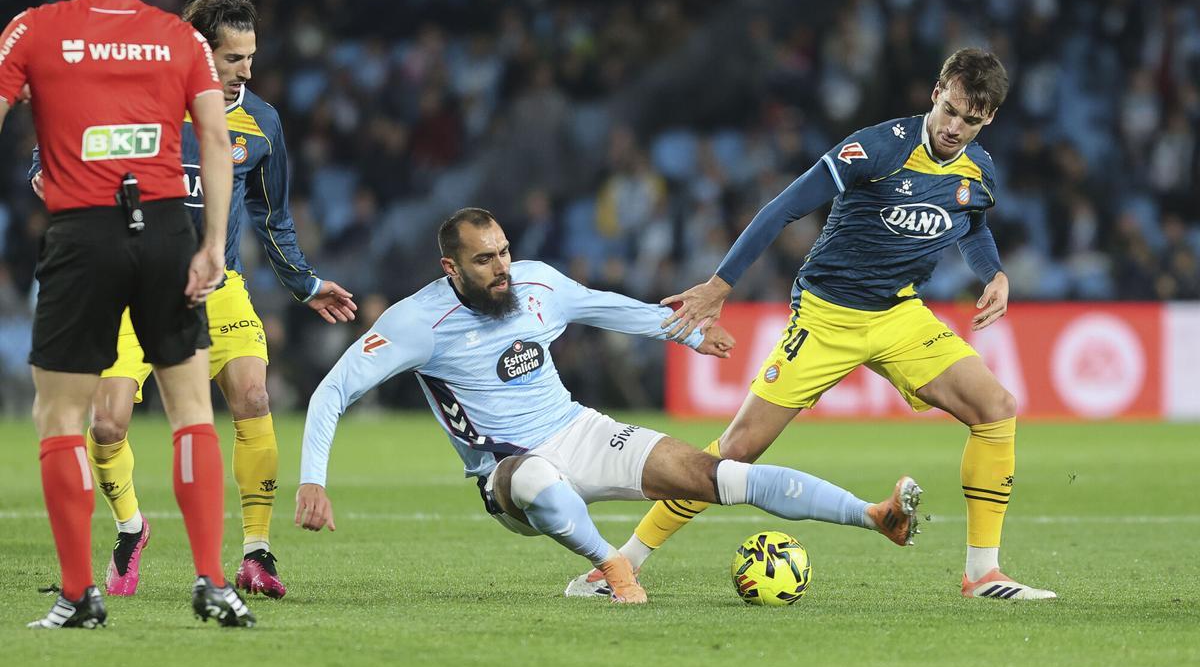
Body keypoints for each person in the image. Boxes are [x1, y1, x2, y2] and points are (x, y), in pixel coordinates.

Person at [568, 48, 1055, 601]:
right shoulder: (877, 147)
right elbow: (782, 207)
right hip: (827, 316)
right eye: (951, 110)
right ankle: (618, 564)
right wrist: (719, 286)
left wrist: (994, 274)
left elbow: (971, 222)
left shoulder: (978, 169)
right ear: (937, 91)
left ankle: (983, 574)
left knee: (997, 407)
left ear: (989, 119)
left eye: (972, 120)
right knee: (736, 452)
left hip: (900, 314)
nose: (955, 127)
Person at [294, 208, 923, 602]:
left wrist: (688, 331)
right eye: (484, 260)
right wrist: (313, 481)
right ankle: (612, 568)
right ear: (450, 268)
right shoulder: (415, 322)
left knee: (713, 475)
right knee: (537, 478)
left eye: (504, 251)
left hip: (578, 431)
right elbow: (332, 391)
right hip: (506, 471)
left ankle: (873, 516)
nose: (501, 268)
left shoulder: (537, 283)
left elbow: (608, 307)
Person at [29, 0, 356, 601]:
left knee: (254, 396)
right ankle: (130, 529)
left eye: (251, 56)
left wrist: (304, 282)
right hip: (134, 287)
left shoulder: (260, 121)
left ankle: (256, 553)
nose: (246, 70)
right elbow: (51, 151)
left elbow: (272, 216)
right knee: (106, 423)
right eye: (233, 57)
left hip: (219, 284)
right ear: (198, 50)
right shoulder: (136, 95)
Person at [0, 0, 254, 627]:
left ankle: (80, 595)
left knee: (61, 417)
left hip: (82, 233)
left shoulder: (33, 29)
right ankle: (213, 583)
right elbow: (212, 137)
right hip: (170, 229)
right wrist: (210, 245)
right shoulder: (179, 37)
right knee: (192, 410)